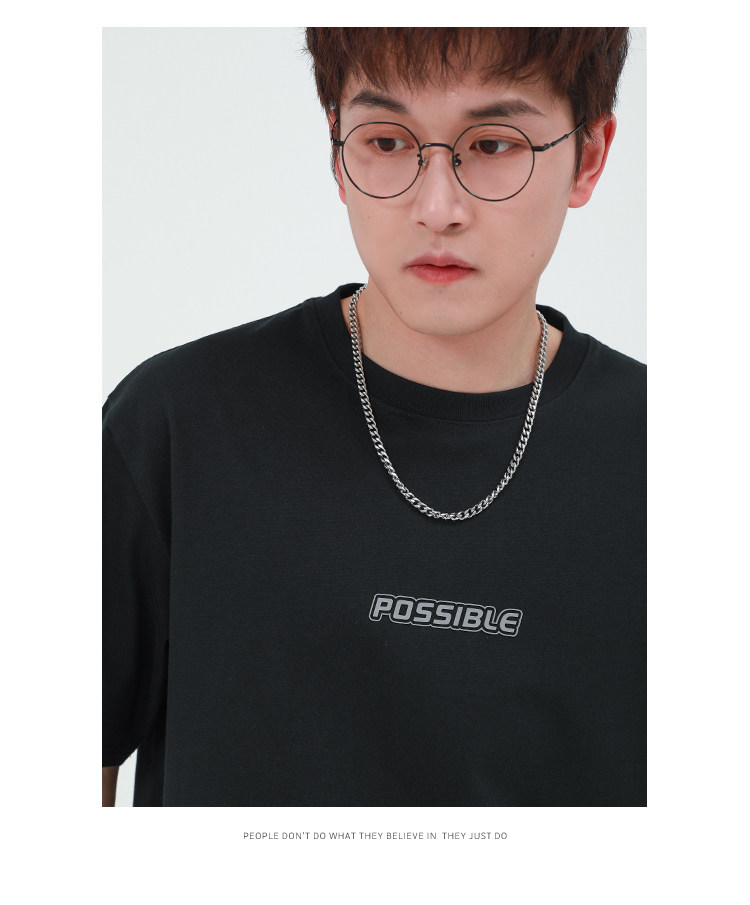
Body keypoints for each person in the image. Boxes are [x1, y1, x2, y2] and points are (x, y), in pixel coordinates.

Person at [103, 27, 644, 807]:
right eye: (387, 142)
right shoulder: (174, 426)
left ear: (588, 157)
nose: (437, 208)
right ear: (337, 152)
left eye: (493, 144)